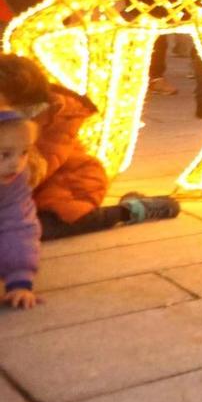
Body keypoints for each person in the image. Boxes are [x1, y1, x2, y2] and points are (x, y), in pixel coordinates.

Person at [0, 56, 176, 238]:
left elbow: (35, 171)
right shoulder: (10, 115)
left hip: (71, 182)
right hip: (19, 185)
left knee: (36, 227)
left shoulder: (56, 116)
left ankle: (131, 210)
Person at [0, 108, 40, 310]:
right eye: (4, 154)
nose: (16, 163)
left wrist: (19, 277)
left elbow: (18, 226)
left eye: (24, 152)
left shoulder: (16, 182)